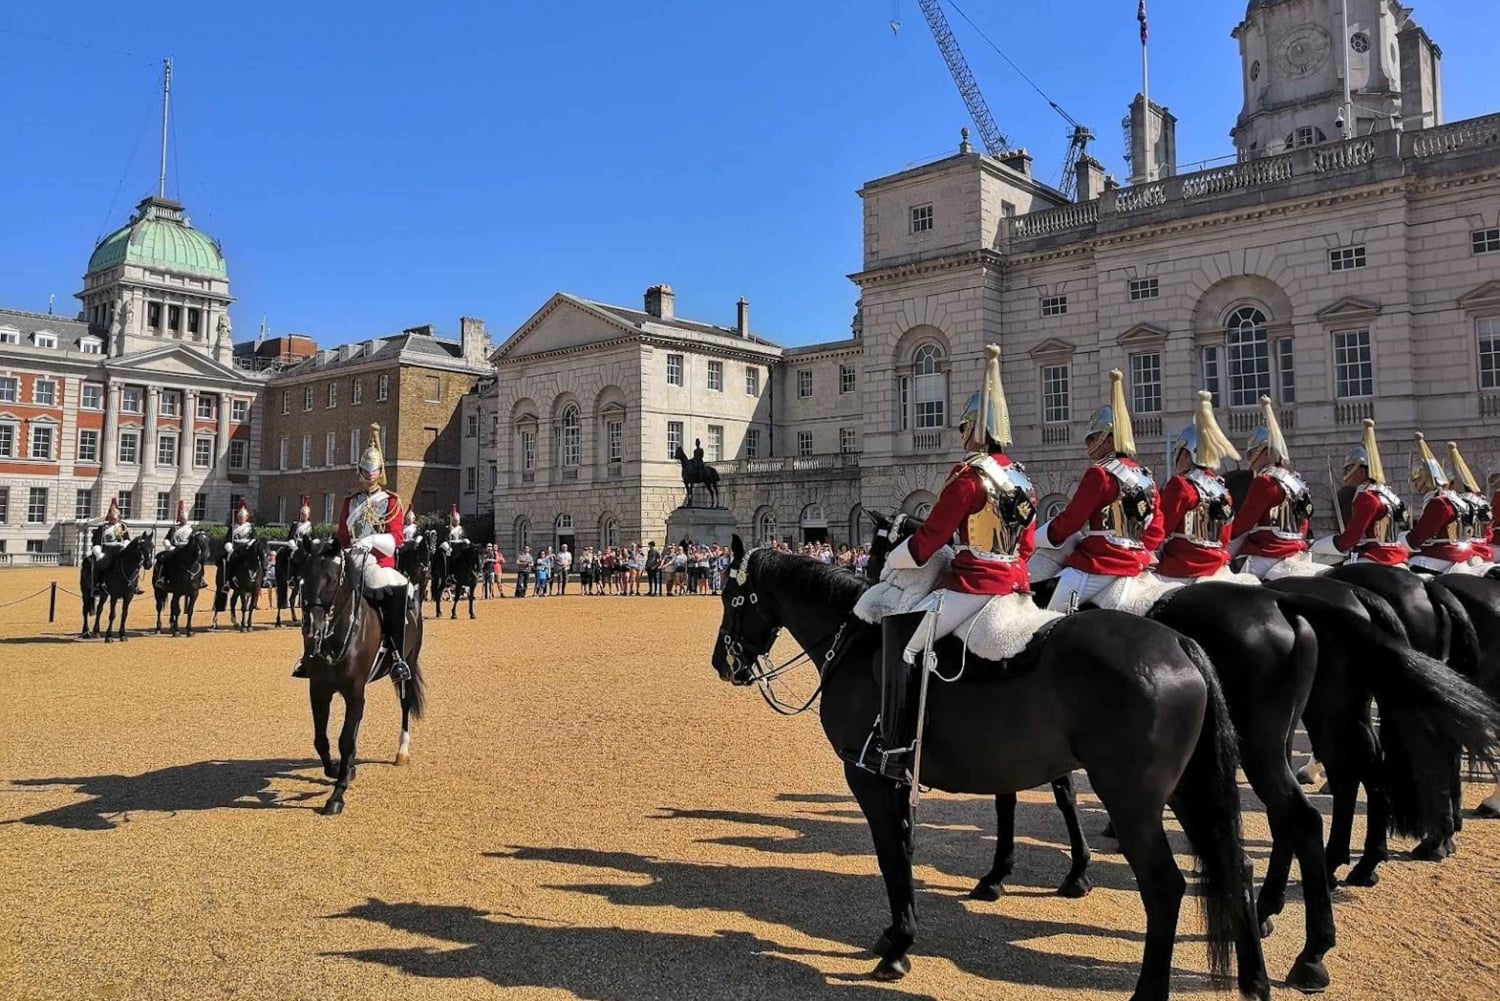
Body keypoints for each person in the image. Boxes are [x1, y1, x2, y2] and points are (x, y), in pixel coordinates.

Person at [875, 344, 1037, 782]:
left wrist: (896, 557)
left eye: (965, 427)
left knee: (903, 640)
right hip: (1017, 583)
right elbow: (1027, 545)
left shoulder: (970, 476)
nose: (962, 435)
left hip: (975, 585)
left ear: (977, 430)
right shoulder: (1022, 479)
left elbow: (931, 538)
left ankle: (896, 746)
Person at [1031, 369, 1157, 611]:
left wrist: (1040, 537)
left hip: (1101, 562)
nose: (1089, 443)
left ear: (1109, 439)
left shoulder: (1100, 474)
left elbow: (1071, 521)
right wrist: (1140, 553)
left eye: (1093, 438)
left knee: (1043, 611)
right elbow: (1156, 526)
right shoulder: (1145, 477)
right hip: (1137, 561)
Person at [294, 422, 411, 681]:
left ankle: (396, 656)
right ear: (360, 471)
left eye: (373, 471)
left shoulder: (391, 502)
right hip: (350, 558)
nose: (369, 476)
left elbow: (396, 539)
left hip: (379, 562)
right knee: (319, 588)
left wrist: (371, 541)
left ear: (380, 472)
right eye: (365, 471)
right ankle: (310, 651)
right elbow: (342, 537)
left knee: (394, 589)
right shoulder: (350, 501)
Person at [1141, 391, 1244, 585]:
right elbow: (1224, 538)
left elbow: (1161, 529)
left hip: (1182, 567)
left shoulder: (1180, 485)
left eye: (1180, 453)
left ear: (1187, 454)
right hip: (1216, 566)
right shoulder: (1222, 490)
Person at [1229, 396, 1320, 580]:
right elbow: (1305, 520)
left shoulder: (1265, 482)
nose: (1249, 459)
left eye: (1251, 453)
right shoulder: (1297, 481)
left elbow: (1245, 521)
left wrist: (1222, 536)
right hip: (1296, 550)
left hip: (1267, 553)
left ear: (1264, 451)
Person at [1311, 419, 1409, 566]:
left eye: (1349, 469)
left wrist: (1320, 546)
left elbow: (1351, 537)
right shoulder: (1389, 495)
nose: (1346, 474)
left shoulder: (1367, 497)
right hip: (1397, 552)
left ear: (1362, 472)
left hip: (1376, 555)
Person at [1404, 434, 1490, 575]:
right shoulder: (1459, 500)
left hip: (1444, 554)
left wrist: (1402, 542)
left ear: (1426, 478)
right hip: (1466, 551)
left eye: (1417, 479)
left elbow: (1420, 536)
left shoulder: (1440, 502)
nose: (1415, 484)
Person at [89, 497, 138, 593]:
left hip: (120, 550)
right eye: (111, 518)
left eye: (115, 518)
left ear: (118, 518)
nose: (113, 520)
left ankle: (134, 584)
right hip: (107, 550)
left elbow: (127, 539)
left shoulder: (122, 527)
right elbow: (96, 542)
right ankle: (98, 584)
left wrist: (126, 545)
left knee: (133, 564)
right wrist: (98, 553)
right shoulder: (102, 528)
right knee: (100, 565)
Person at [156, 498, 204, 589]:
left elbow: (194, 541)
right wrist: (168, 545)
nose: (183, 520)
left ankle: (201, 579)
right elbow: (167, 539)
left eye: (184, 519)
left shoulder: (191, 529)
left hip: (187, 550)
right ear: (180, 519)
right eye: (182, 519)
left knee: (199, 560)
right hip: (175, 549)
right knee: (165, 559)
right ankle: (162, 578)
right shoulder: (174, 528)